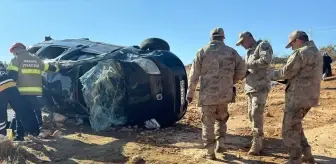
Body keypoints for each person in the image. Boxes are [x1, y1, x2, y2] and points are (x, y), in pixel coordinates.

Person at [187, 27, 247, 160]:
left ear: (211, 38)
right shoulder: (231, 52)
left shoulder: (202, 51)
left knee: (208, 122)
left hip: (208, 95)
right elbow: (243, 70)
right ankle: (221, 143)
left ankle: (210, 152)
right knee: (221, 119)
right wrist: (231, 81)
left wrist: (190, 93)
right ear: (223, 37)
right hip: (225, 94)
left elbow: (194, 75)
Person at [270, 30, 322, 164]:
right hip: (310, 97)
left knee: (289, 130)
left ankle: (295, 159)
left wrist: (271, 74)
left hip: (297, 97)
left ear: (298, 40)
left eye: (292, 44)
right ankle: (307, 155)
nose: (292, 48)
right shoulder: (317, 52)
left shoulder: (300, 53)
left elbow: (286, 72)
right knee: (296, 126)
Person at [6, 42, 59, 141]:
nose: (13, 53)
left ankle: (19, 136)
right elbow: (49, 68)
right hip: (35, 92)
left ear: (18, 49)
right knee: (35, 112)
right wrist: (57, 67)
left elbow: (11, 77)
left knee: (20, 114)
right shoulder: (36, 59)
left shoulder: (15, 59)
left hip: (21, 92)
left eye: (13, 51)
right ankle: (36, 133)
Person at [236, 31, 273, 155]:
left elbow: (266, 60)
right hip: (250, 88)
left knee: (256, 114)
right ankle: (256, 139)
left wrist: (247, 64)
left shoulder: (263, 45)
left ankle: (257, 144)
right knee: (251, 115)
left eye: (243, 42)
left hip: (260, 87)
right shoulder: (249, 52)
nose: (242, 45)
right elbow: (249, 69)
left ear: (250, 38)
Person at [0, 61, 40, 137]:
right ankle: (34, 132)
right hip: (11, 84)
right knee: (23, 109)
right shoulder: (4, 67)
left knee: (1, 114)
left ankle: (1, 136)